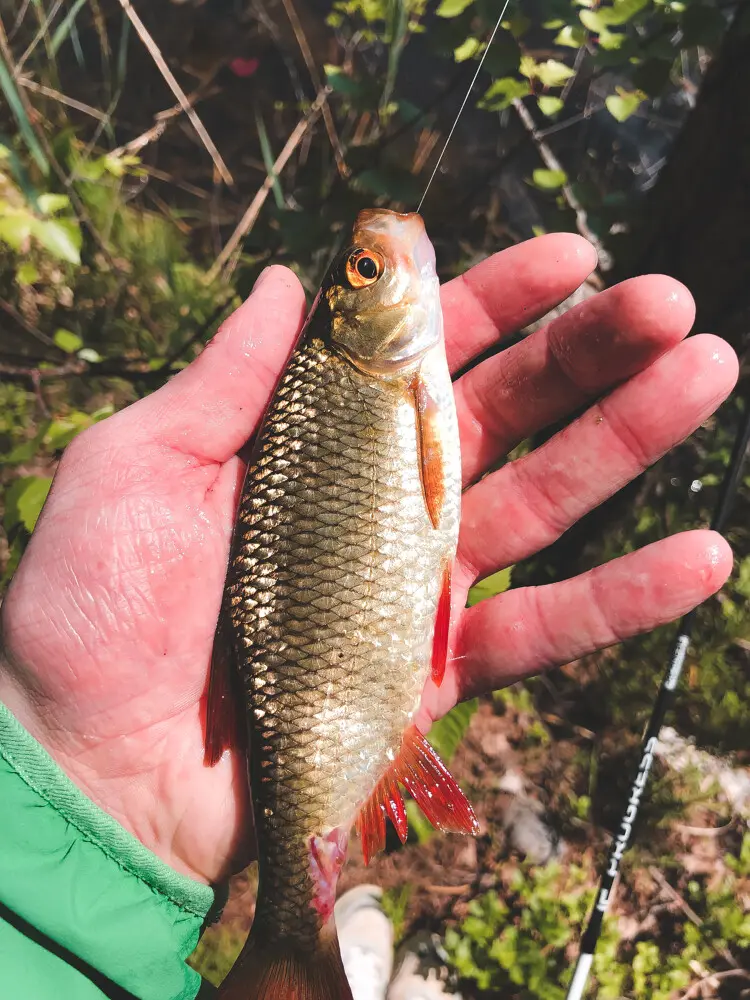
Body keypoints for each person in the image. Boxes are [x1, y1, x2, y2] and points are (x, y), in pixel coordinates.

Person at [0, 233, 737, 1000]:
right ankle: (305, 947)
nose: (385, 256)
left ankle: (312, 946)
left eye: (364, 267)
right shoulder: (348, 378)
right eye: (367, 268)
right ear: (347, 322)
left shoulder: (359, 379)